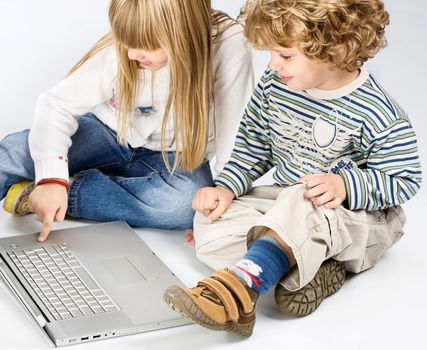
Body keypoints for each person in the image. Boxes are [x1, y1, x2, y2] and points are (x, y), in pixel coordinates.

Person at [163, 0, 422, 337]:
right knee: (209, 222)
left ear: (335, 47)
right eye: (270, 53)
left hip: (355, 217)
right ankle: (303, 266)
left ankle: (240, 290)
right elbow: (253, 146)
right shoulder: (275, 86)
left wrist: (345, 185)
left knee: (302, 199)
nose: (272, 64)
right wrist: (225, 188)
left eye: (285, 56)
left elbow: (404, 180)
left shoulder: (378, 111)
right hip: (287, 204)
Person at [0, 0, 254, 242]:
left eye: (147, 46)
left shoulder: (228, 44)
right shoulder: (125, 52)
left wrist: (228, 204)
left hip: (175, 156)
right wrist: (51, 176)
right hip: (108, 132)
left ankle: (48, 192)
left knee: (182, 205)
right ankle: (49, 181)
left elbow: (234, 128)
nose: (133, 54)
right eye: (128, 43)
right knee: (12, 153)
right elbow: (56, 106)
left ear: (183, 34)